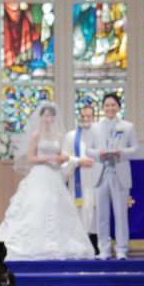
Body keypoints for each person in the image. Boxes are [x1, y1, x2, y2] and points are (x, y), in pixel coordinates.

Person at [0, 103, 95, 261]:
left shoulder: (59, 136)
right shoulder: (36, 135)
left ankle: (56, 244)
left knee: (57, 208)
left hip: (54, 175)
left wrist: (61, 159)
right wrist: (50, 158)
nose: (48, 118)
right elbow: (30, 158)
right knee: (36, 207)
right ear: (41, 117)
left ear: (54, 118)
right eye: (46, 115)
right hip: (39, 174)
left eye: (51, 116)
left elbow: (60, 156)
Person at [86, 93, 138, 259]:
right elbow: (88, 150)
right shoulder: (94, 127)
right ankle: (104, 250)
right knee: (101, 214)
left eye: (113, 105)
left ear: (118, 107)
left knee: (121, 214)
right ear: (103, 108)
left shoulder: (128, 127)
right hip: (101, 173)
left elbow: (135, 149)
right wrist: (99, 154)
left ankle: (122, 249)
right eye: (107, 105)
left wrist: (120, 153)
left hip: (119, 172)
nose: (110, 108)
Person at [61, 105, 98, 254]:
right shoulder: (71, 136)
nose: (86, 119)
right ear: (80, 118)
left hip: (96, 180)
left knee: (95, 214)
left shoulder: (100, 135)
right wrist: (77, 161)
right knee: (78, 212)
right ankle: (78, 248)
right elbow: (64, 158)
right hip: (78, 180)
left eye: (89, 116)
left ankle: (96, 247)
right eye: (83, 117)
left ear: (94, 117)